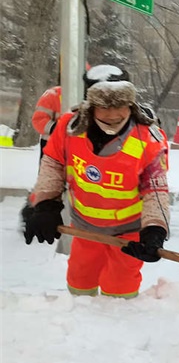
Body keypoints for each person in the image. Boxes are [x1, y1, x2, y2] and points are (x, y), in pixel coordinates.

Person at [23, 65, 170, 298]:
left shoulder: (148, 137)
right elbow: (53, 165)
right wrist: (44, 205)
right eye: (104, 107)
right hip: (85, 229)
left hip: (128, 233)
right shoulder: (70, 127)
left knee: (119, 290)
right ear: (90, 106)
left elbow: (156, 188)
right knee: (80, 283)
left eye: (121, 106)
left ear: (130, 104)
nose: (113, 115)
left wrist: (154, 229)